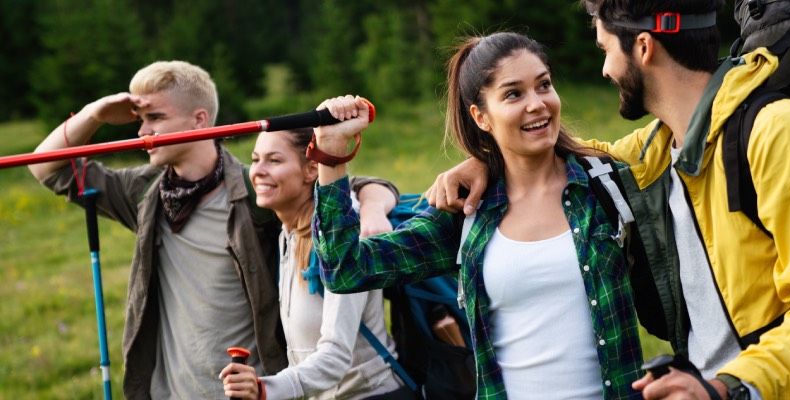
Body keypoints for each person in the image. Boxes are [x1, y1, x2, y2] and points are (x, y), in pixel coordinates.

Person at [425, 1, 790, 399]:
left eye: (607, 50)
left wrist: (728, 387)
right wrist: (490, 158)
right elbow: (568, 161)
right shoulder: (657, 150)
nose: (605, 68)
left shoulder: (781, 135)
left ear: (643, 48)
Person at [27, 61, 398, 399]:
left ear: (199, 120)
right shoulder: (143, 193)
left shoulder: (255, 190)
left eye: (154, 117)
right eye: (140, 119)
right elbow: (47, 169)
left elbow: (334, 188)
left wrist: (373, 205)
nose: (142, 132)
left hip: (247, 389)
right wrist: (95, 114)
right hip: (166, 392)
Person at [309, 32, 646, 399]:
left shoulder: (606, 186)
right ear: (481, 116)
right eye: (513, 94)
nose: (537, 104)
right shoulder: (467, 211)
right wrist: (331, 153)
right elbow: (346, 269)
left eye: (544, 85)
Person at [218, 127, 412, 400]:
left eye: (274, 160)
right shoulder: (288, 234)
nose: (258, 170)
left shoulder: (341, 237)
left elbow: (335, 356)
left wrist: (264, 389)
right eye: (255, 158)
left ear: (311, 170)